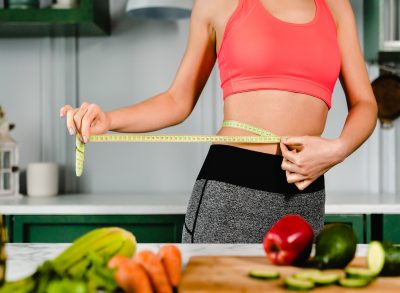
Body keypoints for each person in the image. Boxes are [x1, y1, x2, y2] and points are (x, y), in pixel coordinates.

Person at [60, 0, 377, 243]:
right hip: (230, 192)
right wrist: (110, 118)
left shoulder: (335, 7)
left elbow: (365, 103)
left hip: (304, 191)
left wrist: (337, 150)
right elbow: (177, 101)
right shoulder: (218, 3)